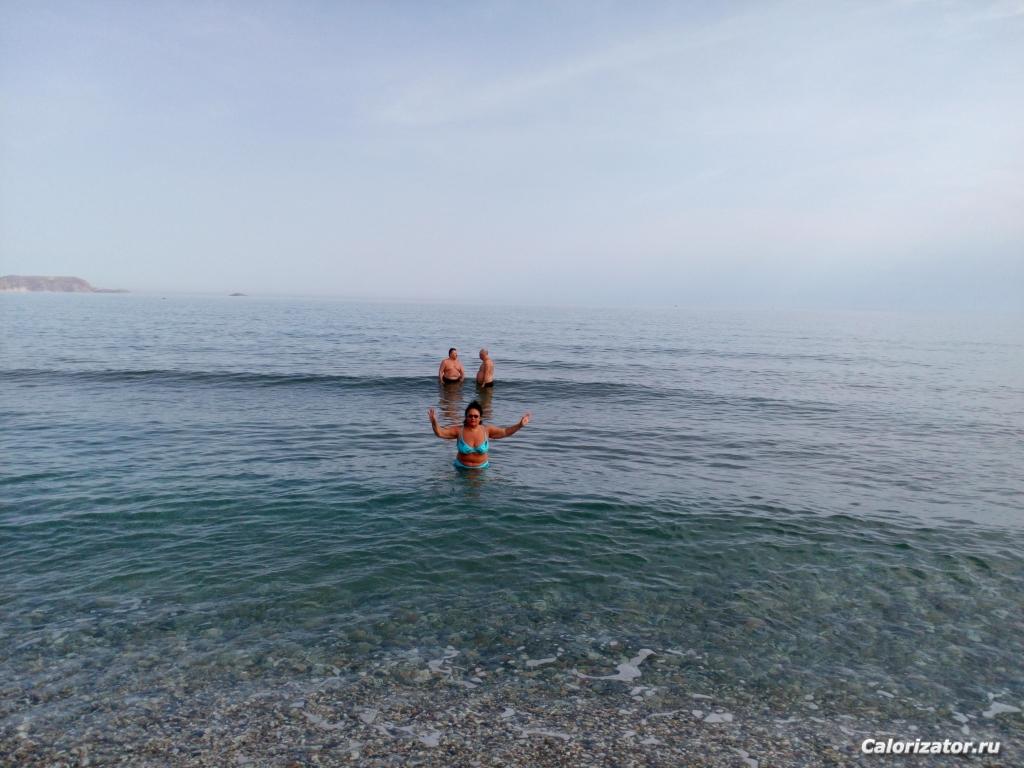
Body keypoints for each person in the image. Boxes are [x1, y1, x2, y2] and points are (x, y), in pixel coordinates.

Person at [428, 400, 531, 470]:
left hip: (481, 469)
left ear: (480, 418)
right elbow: (440, 433)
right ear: (466, 417)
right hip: (461, 469)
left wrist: (520, 425)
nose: (473, 418)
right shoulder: (459, 430)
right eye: (470, 416)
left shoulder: (487, 430)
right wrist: (434, 422)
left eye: (476, 416)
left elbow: (505, 432)